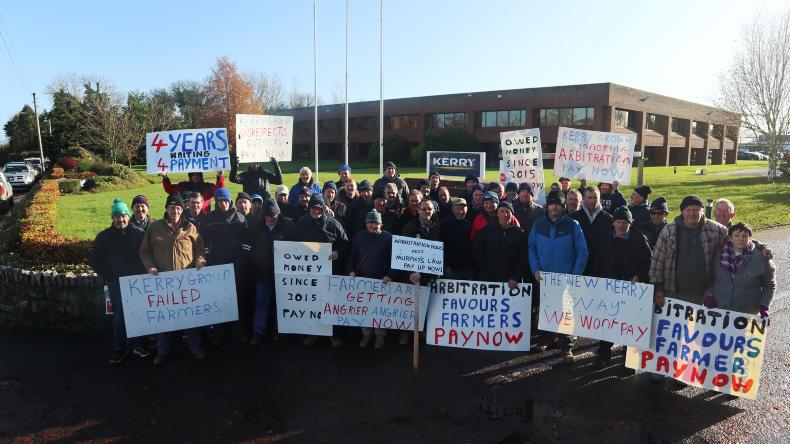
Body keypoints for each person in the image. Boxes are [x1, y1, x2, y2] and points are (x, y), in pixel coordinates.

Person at [139, 193, 207, 366]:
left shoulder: (190, 227)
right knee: (165, 319)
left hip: (186, 281)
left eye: (178, 208)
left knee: (190, 316)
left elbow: (200, 249)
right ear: (166, 209)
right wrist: (150, 266)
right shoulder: (154, 228)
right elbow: (144, 251)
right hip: (163, 282)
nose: (175, 211)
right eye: (171, 207)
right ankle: (163, 350)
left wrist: (200, 260)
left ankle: (195, 347)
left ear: (182, 209)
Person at [528, 190, 588, 362]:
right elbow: (532, 248)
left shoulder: (573, 225)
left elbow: (582, 252)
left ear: (563, 207)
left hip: (565, 279)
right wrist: (535, 270)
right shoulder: (538, 225)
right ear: (547, 206)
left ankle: (566, 347)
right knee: (545, 309)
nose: (554, 207)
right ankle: (546, 338)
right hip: (544, 278)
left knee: (565, 312)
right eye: (552, 204)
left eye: (558, 204)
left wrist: (574, 275)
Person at [589, 207, 651, 366]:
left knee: (630, 324)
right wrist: (597, 282)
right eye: (618, 222)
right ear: (613, 223)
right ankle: (603, 353)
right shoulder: (604, 238)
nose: (622, 226)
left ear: (630, 224)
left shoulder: (639, 239)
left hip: (630, 288)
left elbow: (648, 262)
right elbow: (597, 261)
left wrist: (639, 276)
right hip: (609, 287)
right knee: (608, 322)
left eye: (625, 222)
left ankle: (629, 359)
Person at [91, 198, 150, 364]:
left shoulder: (139, 234)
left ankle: (138, 345)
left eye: (123, 216)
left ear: (128, 216)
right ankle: (119, 348)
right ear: (112, 218)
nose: (121, 219)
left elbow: (146, 255)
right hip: (116, 283)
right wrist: (109, 275)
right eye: (117, 216)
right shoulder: (103, 237)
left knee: (138, 313)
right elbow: (95, 260)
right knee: (120, 316)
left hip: (136, 282)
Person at [649, 195, 728, 308]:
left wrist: (759, 247)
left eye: (696, 210)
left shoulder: (717, 230)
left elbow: (737, 241)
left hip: (703, 294)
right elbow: (657, 262)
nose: (692, 213)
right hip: (672, 292)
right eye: (688, 210)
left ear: (702, 211)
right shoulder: (669, 230)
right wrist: (658, 289)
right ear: (682, 211)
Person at [295, 194, 349, 347]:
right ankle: (313, 333)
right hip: (309, 273)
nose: (316, 211)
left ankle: (333, 334)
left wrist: (338, 252)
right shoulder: (302, 222)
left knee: (331, 303)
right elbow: (293, 242)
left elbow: (345, 243)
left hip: (330, 271)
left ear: (323, 209)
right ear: (309, 208)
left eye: (319, 208)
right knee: (312, 303)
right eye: (313, 208)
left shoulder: (333, 223)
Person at [199, 188, 250, 344]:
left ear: (230, 201)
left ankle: (237, 329)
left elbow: (247, 241)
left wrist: (241, 256)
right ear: (216, 202)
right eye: (220, 200)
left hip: (236, 265)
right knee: (219, 298)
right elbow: (203, 242)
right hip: (217, 266)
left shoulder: (240, 218)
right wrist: (210, 256)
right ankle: (220, 330)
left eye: (226, 200)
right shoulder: (208, 219)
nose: (223, 203)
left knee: (237, 298)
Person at [708, 223, 775, 323]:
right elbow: (710, 278)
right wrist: (709, 295)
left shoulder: (762, 258)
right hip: (719, 309)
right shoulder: (718, 255)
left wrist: (764, 307)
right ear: (730, 238)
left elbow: (769, 285)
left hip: (748, 312)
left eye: (745, 236)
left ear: (750, 238)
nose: (740, 239)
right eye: (736, 236)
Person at [250, 199, 296, 344]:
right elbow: (252, 246)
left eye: (273, 215)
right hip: (262, 273)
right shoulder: (257, 226)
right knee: (261, 302)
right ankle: (258, 330)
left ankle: (279, 329)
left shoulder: (289, 225)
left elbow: (297, 247)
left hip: (283, 273)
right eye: (267, 216)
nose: (270, 219)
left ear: (279, 213)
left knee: (281, 302)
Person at [347, 209, 393, 349]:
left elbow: (395, 260)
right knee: (364, 309)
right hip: (363, 279)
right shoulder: (358, 237)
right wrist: (351, 270)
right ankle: (366, 333)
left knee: (380, 310)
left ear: (381, 224)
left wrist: (390, 275)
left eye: (376, 223)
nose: (373, 225)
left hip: (382, 281)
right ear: (366, 223)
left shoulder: (389, 238)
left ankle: (380, 334)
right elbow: (352, 256)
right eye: (370, 223)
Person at [400, 199, 442, 345]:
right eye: (423, 209)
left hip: (428, 273)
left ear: (433, 211)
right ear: (418, 210)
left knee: (425, 303)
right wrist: (409, 273)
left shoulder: (437, 227)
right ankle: (405, 332)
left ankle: (421, 331)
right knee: (409, 305)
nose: (426, 211)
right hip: (413, 275)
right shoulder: (410, 227)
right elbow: (402, 252)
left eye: (429, 209)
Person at [473, 201, 529, 285]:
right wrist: (484, 268)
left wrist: (516, 277)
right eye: (502, 211)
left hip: (511, 281)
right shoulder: (487, 230)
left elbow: (523, 258)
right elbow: (477, 250)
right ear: (497, 214)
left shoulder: (520, 233)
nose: (505, 214)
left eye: (508, 211)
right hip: (487, 278)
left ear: (512, 215)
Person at [571, 187, 613, 274]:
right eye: (589, 198)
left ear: (599, 198)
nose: (592, 200)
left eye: (595, 197)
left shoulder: (608, 219)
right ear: (584, 199)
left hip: (600, 266)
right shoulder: (573, 218)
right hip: (578, 265)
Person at [441, 198, 474, 280]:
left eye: (463, 209)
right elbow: (441, 247)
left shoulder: (469, 225)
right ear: (453, 209)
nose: (460, 212)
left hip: (466, 269)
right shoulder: (445, 224)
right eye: (458, 209)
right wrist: (445, 266)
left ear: (467, 210)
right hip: (450, 269)